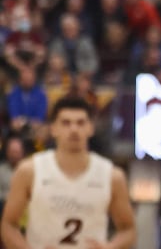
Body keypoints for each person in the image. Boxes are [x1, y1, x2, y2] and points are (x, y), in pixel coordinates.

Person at [1, 95, 136, 249]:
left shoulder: (112, 175)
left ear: (90, 127)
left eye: (80, 123)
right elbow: (8, 225)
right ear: (53, 128)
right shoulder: (29, 170)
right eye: (66, 123)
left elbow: (128, 230)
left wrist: (110, 247)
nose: (74, 129)